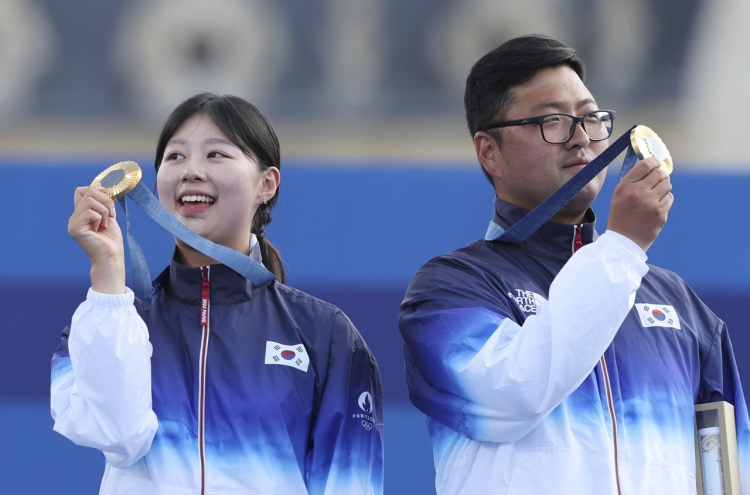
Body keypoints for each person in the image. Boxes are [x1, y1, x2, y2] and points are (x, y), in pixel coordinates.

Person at [399, 35, 750, 494]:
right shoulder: (451, 288)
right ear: (489, 151)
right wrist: (622, 247)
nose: (582, 138)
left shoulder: (680, 305)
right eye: (553, 121)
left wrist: (620, 254)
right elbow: (509, 399)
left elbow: (726, 472)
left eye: (591, 118)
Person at [51, 93, 384, 495]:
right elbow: (116, 436)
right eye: (175, 157)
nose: (191, 170)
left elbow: (349, 483)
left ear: (266, 183)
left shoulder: (325, 335)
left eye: (216, 155)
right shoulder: (110, 322)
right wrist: (107, 273)